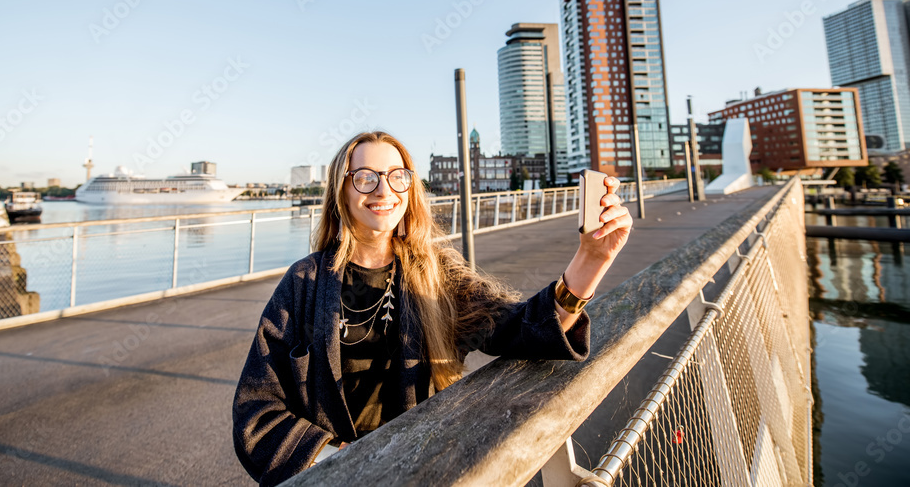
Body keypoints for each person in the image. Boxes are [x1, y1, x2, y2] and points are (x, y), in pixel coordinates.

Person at [232, 131, 632, 486]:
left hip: (425, 470)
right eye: (365, 177)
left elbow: (522, 328)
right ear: (342, 190)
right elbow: (256, 409)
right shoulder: (303, 283)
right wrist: (341, 464)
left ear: (410, 189)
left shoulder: (437, 275)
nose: (383, 190)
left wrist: (592, 261)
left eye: (396, 176)